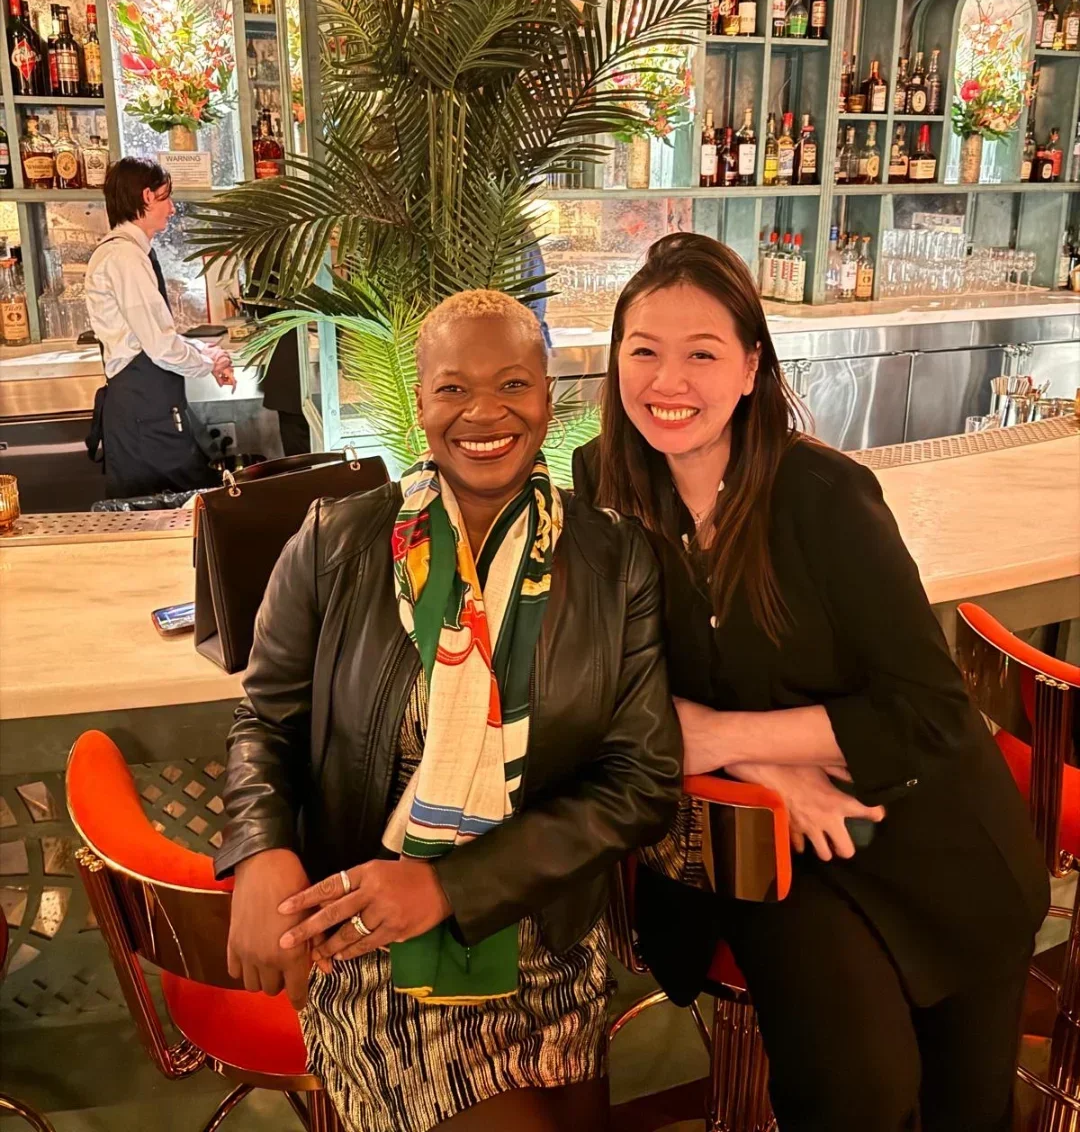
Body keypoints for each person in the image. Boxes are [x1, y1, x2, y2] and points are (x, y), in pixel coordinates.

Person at [573, 232, 1048, 1132]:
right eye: (644, 351)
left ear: (751, 367)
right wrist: (767, 771)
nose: (668, 382)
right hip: (771, 847)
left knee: (964, 1111)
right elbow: (604, 682)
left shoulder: (826, 498)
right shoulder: (605, 484)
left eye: (702, 353)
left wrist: (718, 735)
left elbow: (930, 713)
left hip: (923, 827)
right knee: (855, 1096)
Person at [216, 288, 681, 1132]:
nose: (484, 414)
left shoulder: (617, 561)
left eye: (512, 385)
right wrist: (259, 849)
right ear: (420, 402)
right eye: (453, 389)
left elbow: (641, 783)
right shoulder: (334, 543)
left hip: (547, 936)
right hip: (371, 945)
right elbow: (264, 724)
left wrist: (448, 885)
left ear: (549, 396)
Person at [84, 157, 234, 498]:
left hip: (146, 410)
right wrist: (210, 363)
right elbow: (160, 346)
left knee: (177, 509)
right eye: (166, 197)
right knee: (176, 513)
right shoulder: (125, 258)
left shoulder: (129, 253)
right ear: (147, 197)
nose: (171, 207)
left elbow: (150, 335)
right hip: (144, 418)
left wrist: (204, 352)